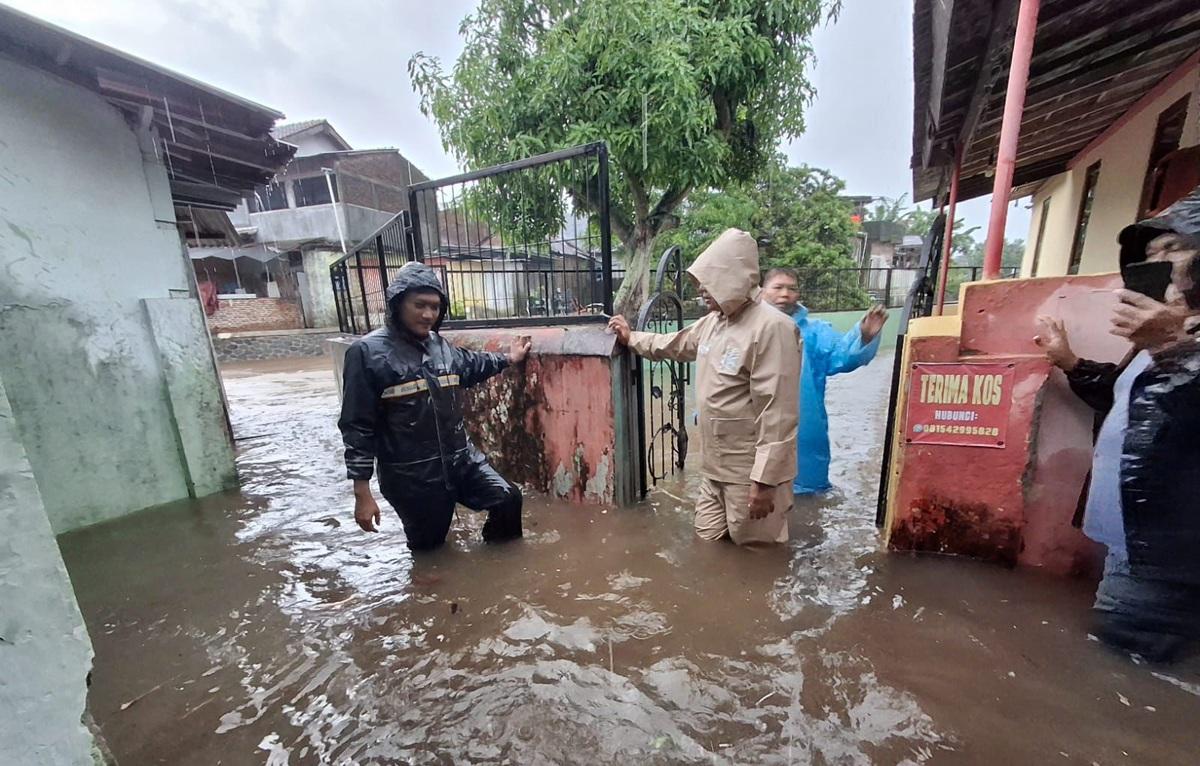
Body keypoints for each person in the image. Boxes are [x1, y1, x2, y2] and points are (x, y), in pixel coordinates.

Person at [1034, 191, 1200, 660]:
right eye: (1151, 255)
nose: (1158, 265)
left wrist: (1171, 346)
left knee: (1117, 674)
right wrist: (1069, 361)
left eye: (1174, 249)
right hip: (1134, 548)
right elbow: (1126, 401)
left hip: (1169, 561)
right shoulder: (1168, 335)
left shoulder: (1174, 339)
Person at [608, 228, 802, 545]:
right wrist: (632, 339)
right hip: (714, 466)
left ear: (732, 279)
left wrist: (766, 481)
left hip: (748, 472)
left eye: (708, 282)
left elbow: (778, 411)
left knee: (757, 552)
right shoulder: (714, 322)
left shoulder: (773, 327)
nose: (701, 291)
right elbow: (674, 344)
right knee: (707, 541)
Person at [338, 262, 531, 552]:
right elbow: (357, 425)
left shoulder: (440, 346)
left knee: (507, 498)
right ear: (398, 304)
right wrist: (362, 492)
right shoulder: (366, 353)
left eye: (435, 307)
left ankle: (499, 564)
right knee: (430, 551)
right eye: (420, 305)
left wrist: (509, 359)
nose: (428, 314)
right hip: (412, 477)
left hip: (462, 461)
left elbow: (472, 365)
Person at [760, 268, 888, 494]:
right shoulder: (746, 329)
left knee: (807, 492)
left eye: (792, 288)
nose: (785, 294)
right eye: (778, 287)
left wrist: (865, 336)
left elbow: (842, 355)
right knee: (752, 489)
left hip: (805, 427)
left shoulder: (815, 332)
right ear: (762, 291)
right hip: (756, 424)